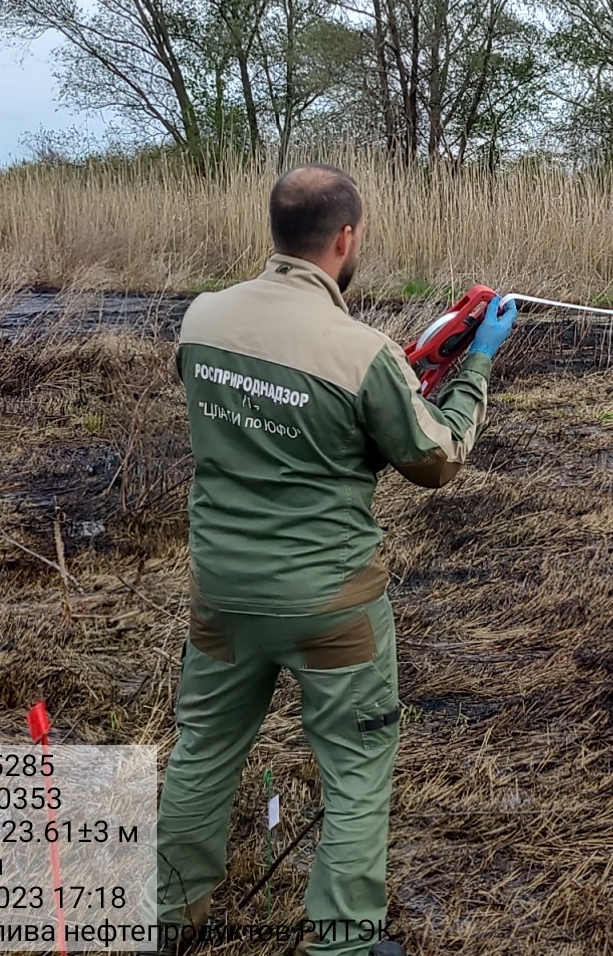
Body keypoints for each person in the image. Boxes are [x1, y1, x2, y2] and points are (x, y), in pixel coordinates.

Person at [154, 165, 517, 956]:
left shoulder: (201, 320)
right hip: (332, 609)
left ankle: (169, 921)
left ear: (275, 229)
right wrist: (479, 364)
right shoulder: (360, 353)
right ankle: (345, 942)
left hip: (222, 594)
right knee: (355, 772)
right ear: (346, 238)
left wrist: (409, 373)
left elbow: (268, 416)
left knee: (203, 753)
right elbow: (436, 457)